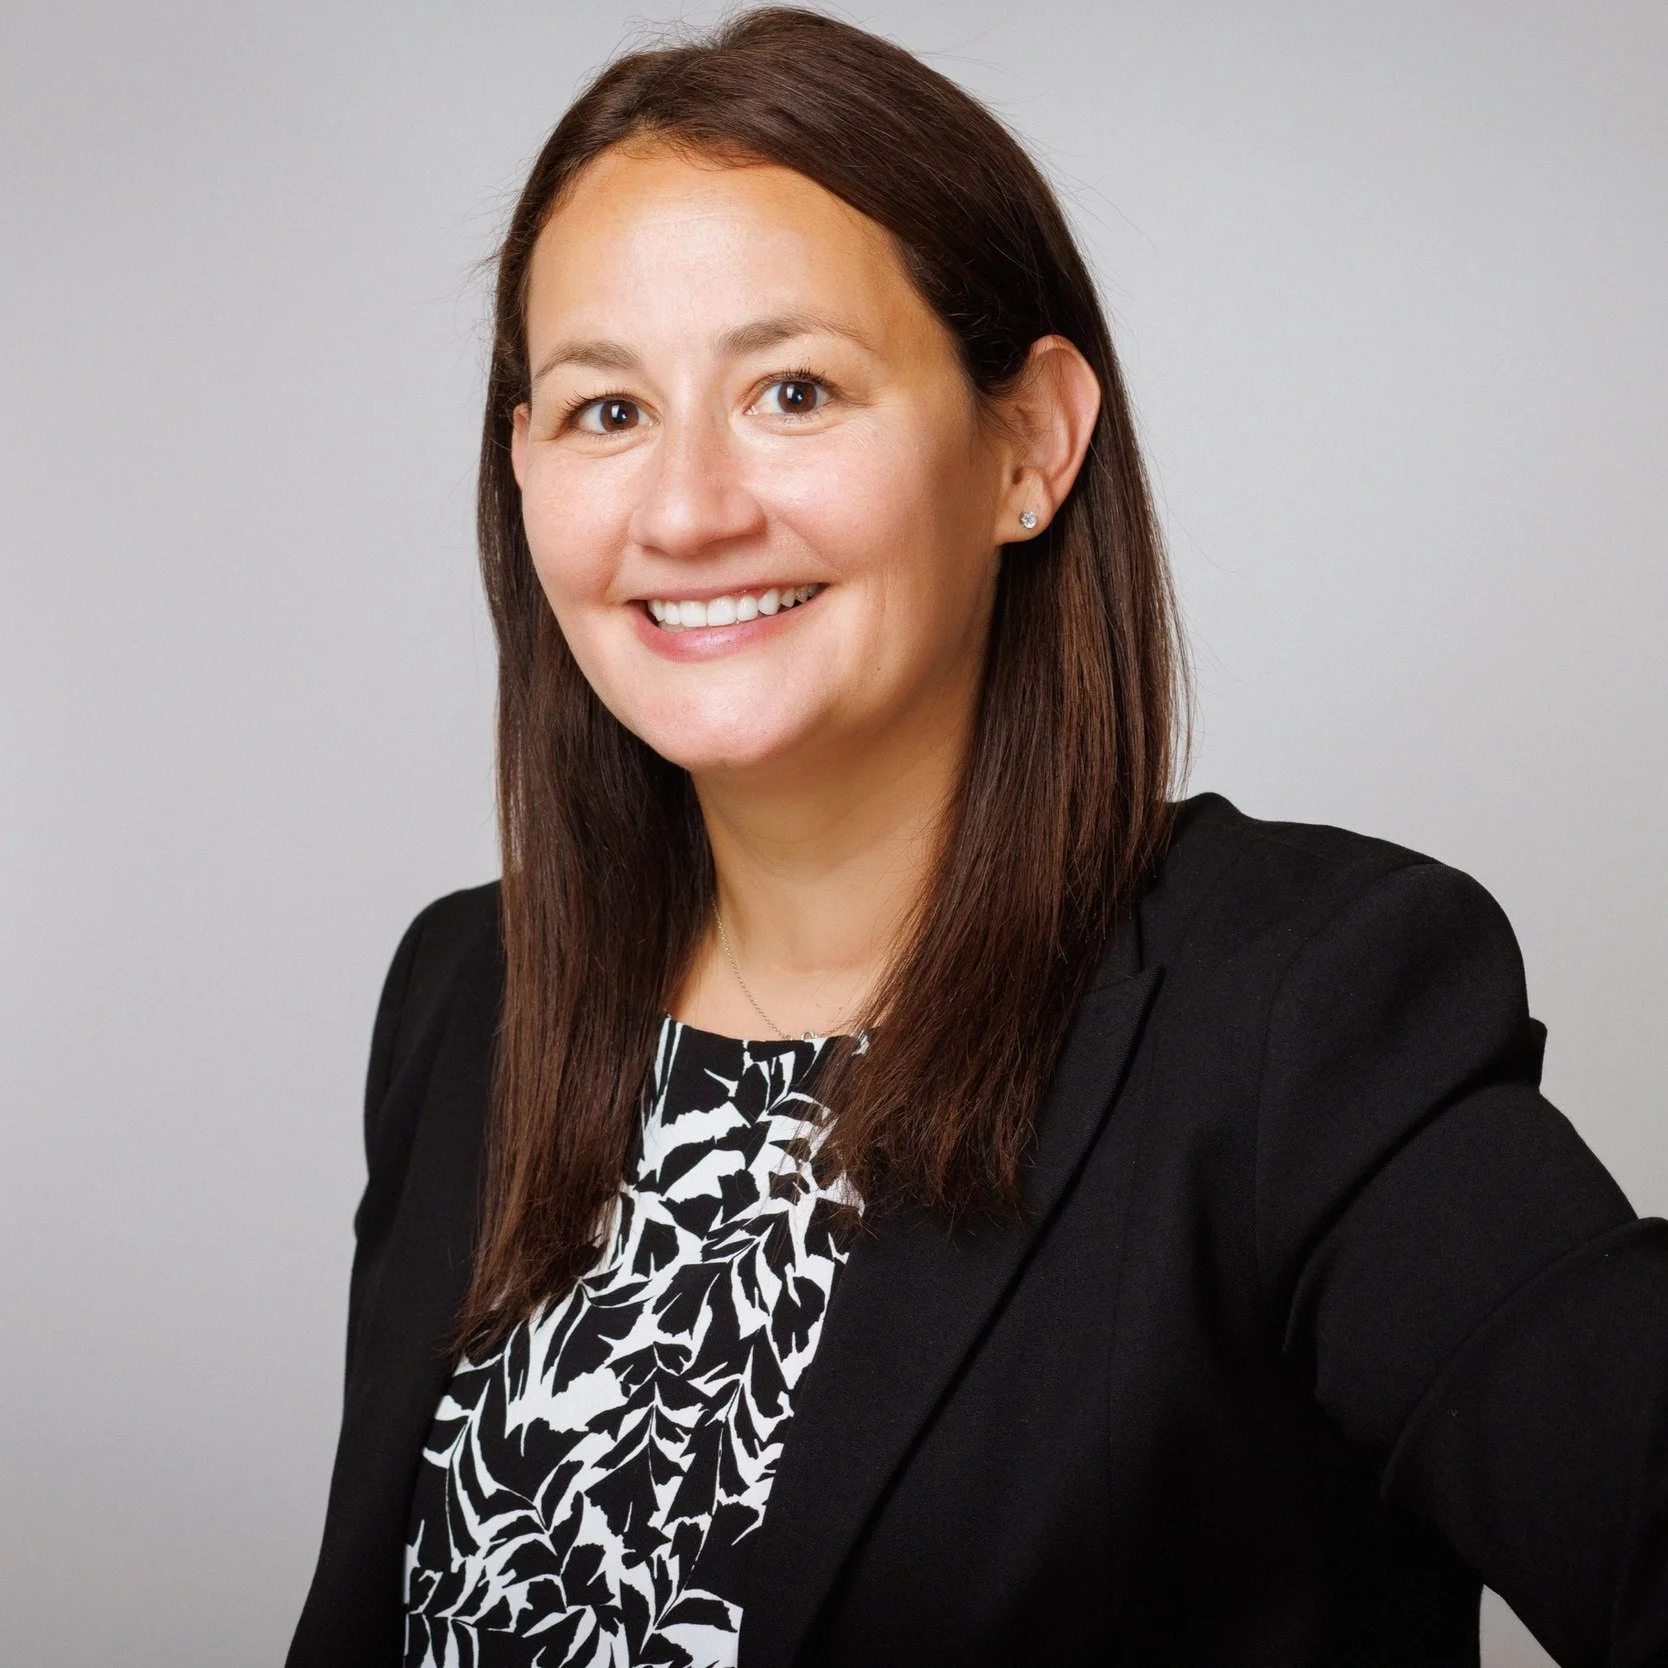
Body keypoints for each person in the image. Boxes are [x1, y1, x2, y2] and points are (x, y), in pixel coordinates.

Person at [287, 9, 1668, 1666]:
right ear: (521, 464)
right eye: (603, 411)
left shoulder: (1302, 1016)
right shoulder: (469, 991)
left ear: (1028, 444)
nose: (686, 508)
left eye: (793, 390)